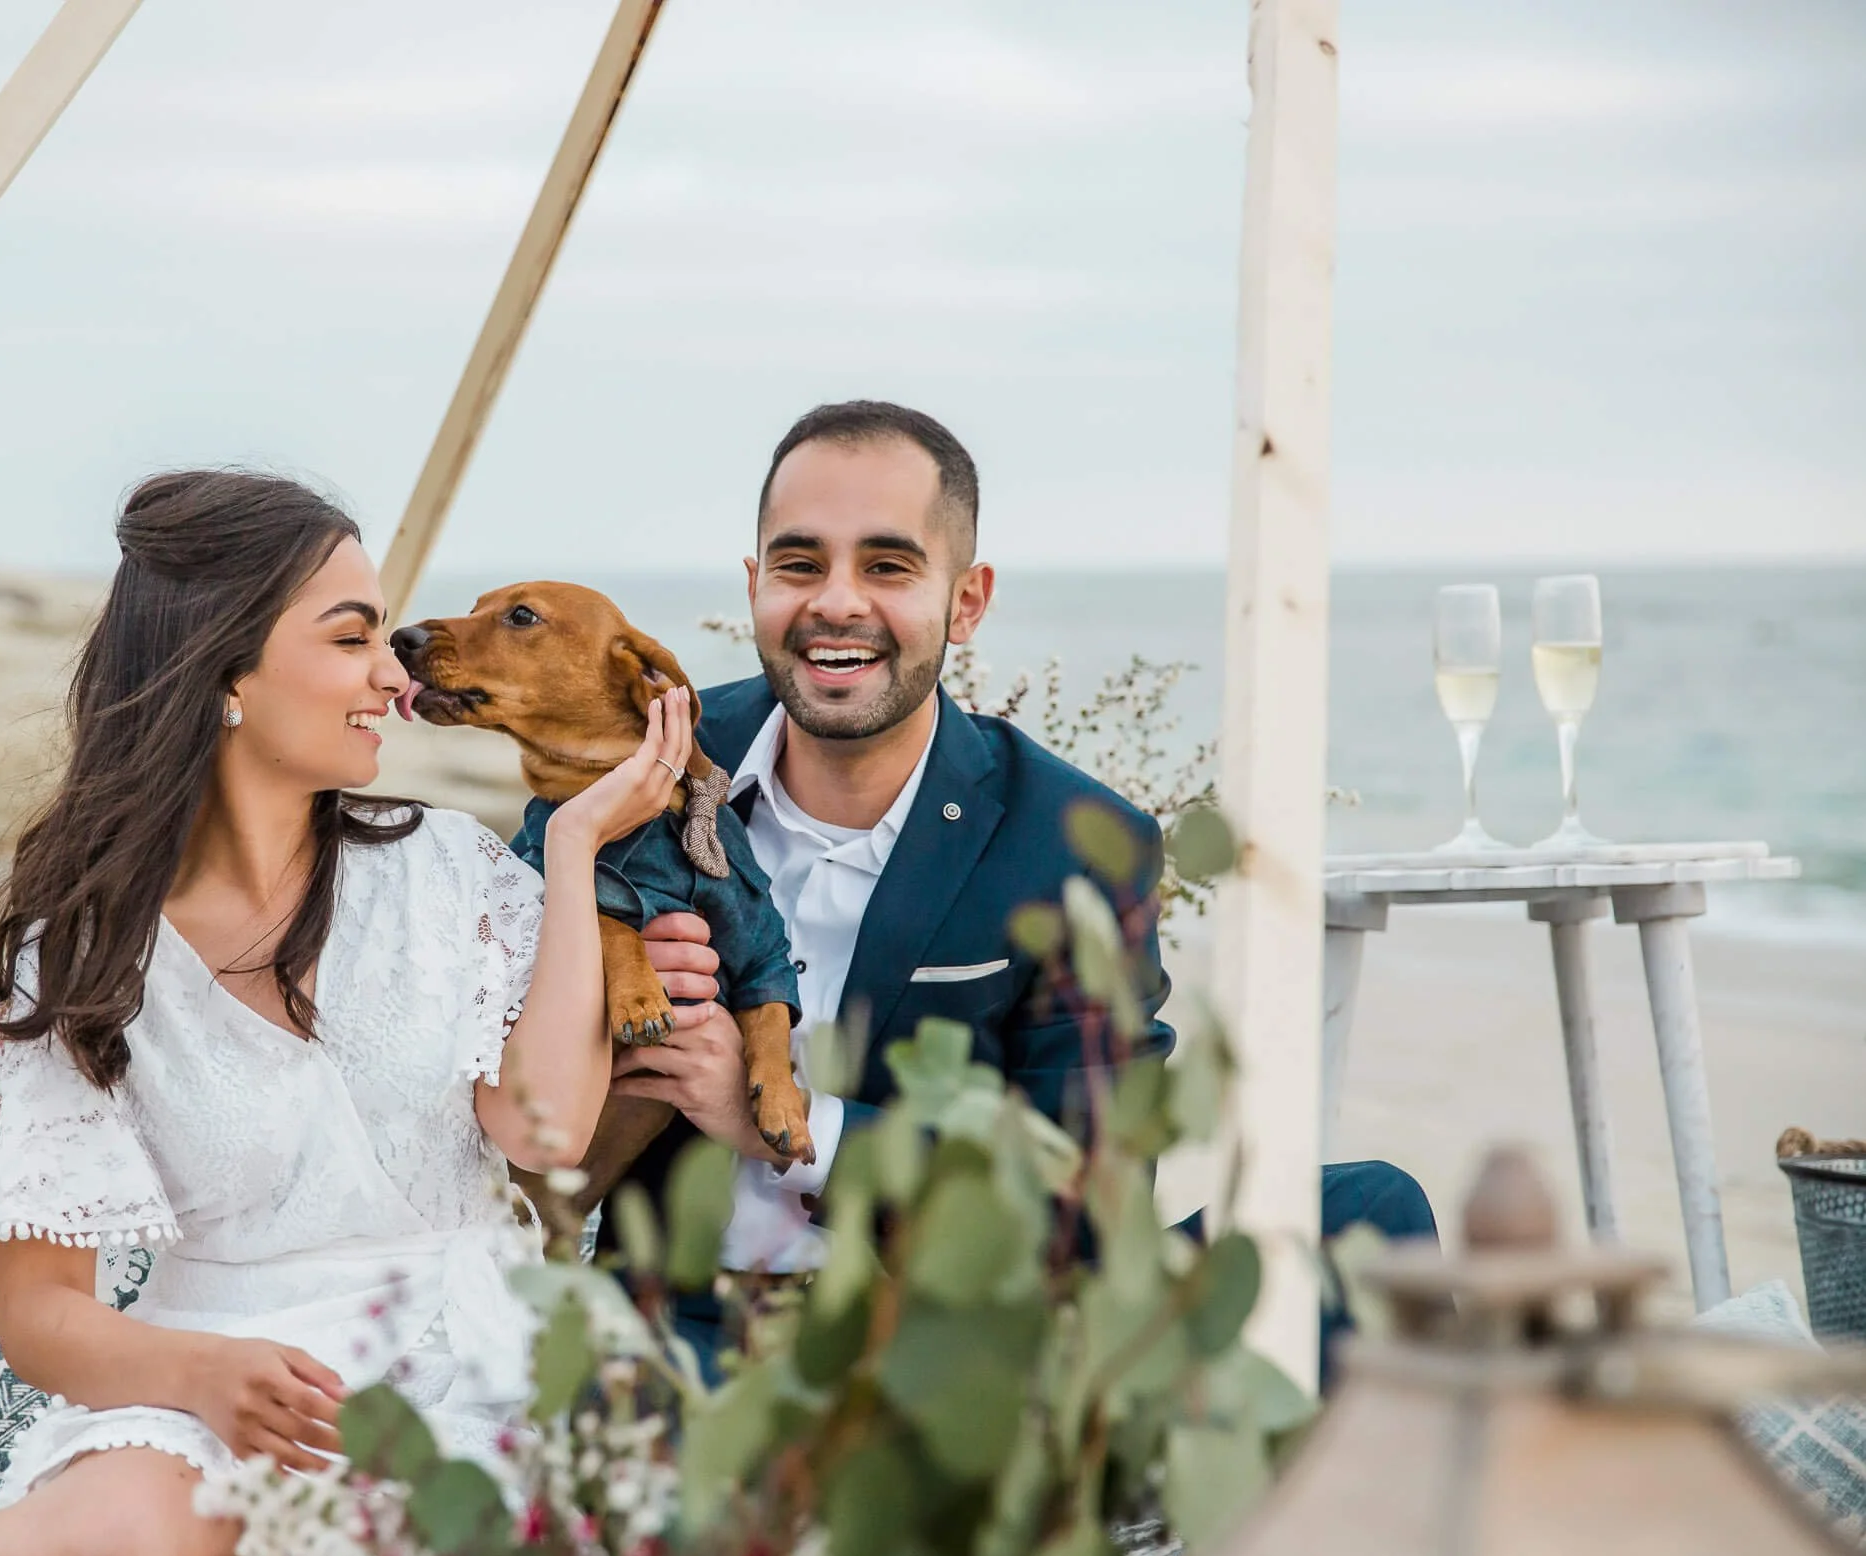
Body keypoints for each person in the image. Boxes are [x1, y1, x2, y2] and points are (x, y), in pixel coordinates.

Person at [0, 470, 695, 1556]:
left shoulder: (447, 869)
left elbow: (542, 1131)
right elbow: (40, 1315)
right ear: (226, 673)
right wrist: (204, 1373)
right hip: (199, 1369)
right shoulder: (84, 942)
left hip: (445, 1369)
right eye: (351, 638)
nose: (397, 671)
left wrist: (582, 842)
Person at [606, 400, 1437, 1378]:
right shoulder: (644, 771)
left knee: (1369, 1214)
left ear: (965, 600)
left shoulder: (1069, 845)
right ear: (754, 586)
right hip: (690, 1327)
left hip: (958, 1344)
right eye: (799, 563)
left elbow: (1085, 1210)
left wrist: (796, 1126)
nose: (836, 601)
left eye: (886, 565)